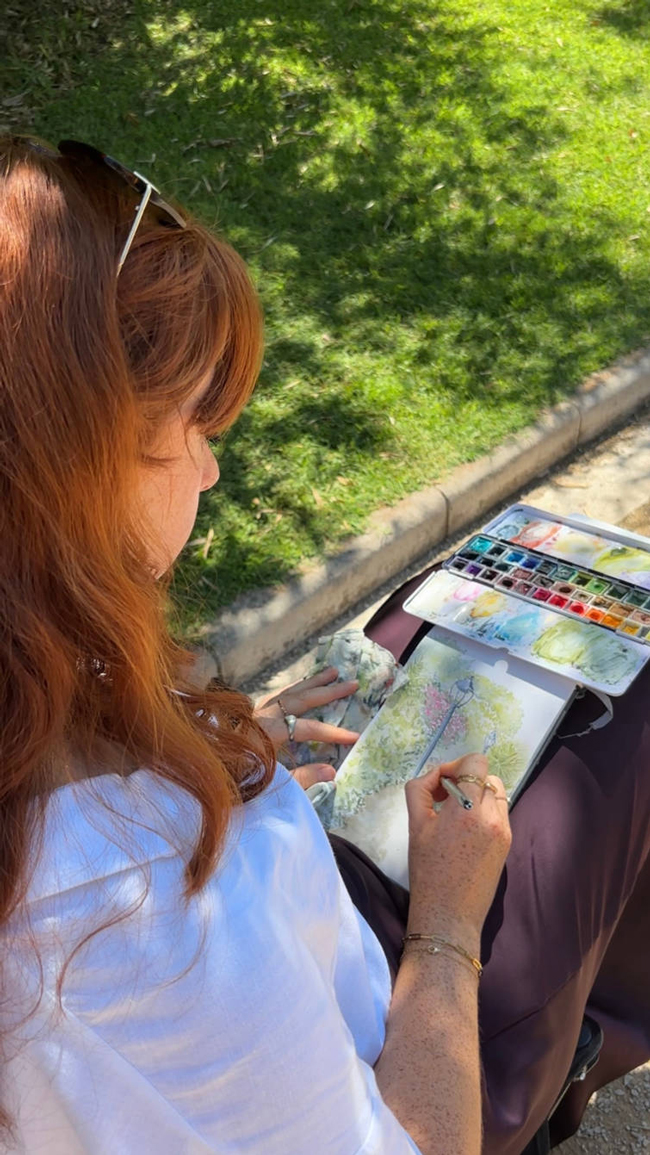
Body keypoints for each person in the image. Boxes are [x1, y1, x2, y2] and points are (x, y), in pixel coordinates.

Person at [0, 135, 647, 1155]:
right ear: (68, 470)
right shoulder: (143, 937)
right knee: (622, 726)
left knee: (419, 623)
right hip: (409, 1040)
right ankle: (571, 1061)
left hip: (304, 915)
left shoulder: (36, 668)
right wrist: (447, 923)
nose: (211, 471)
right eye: (195, 424)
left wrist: (179, 747)